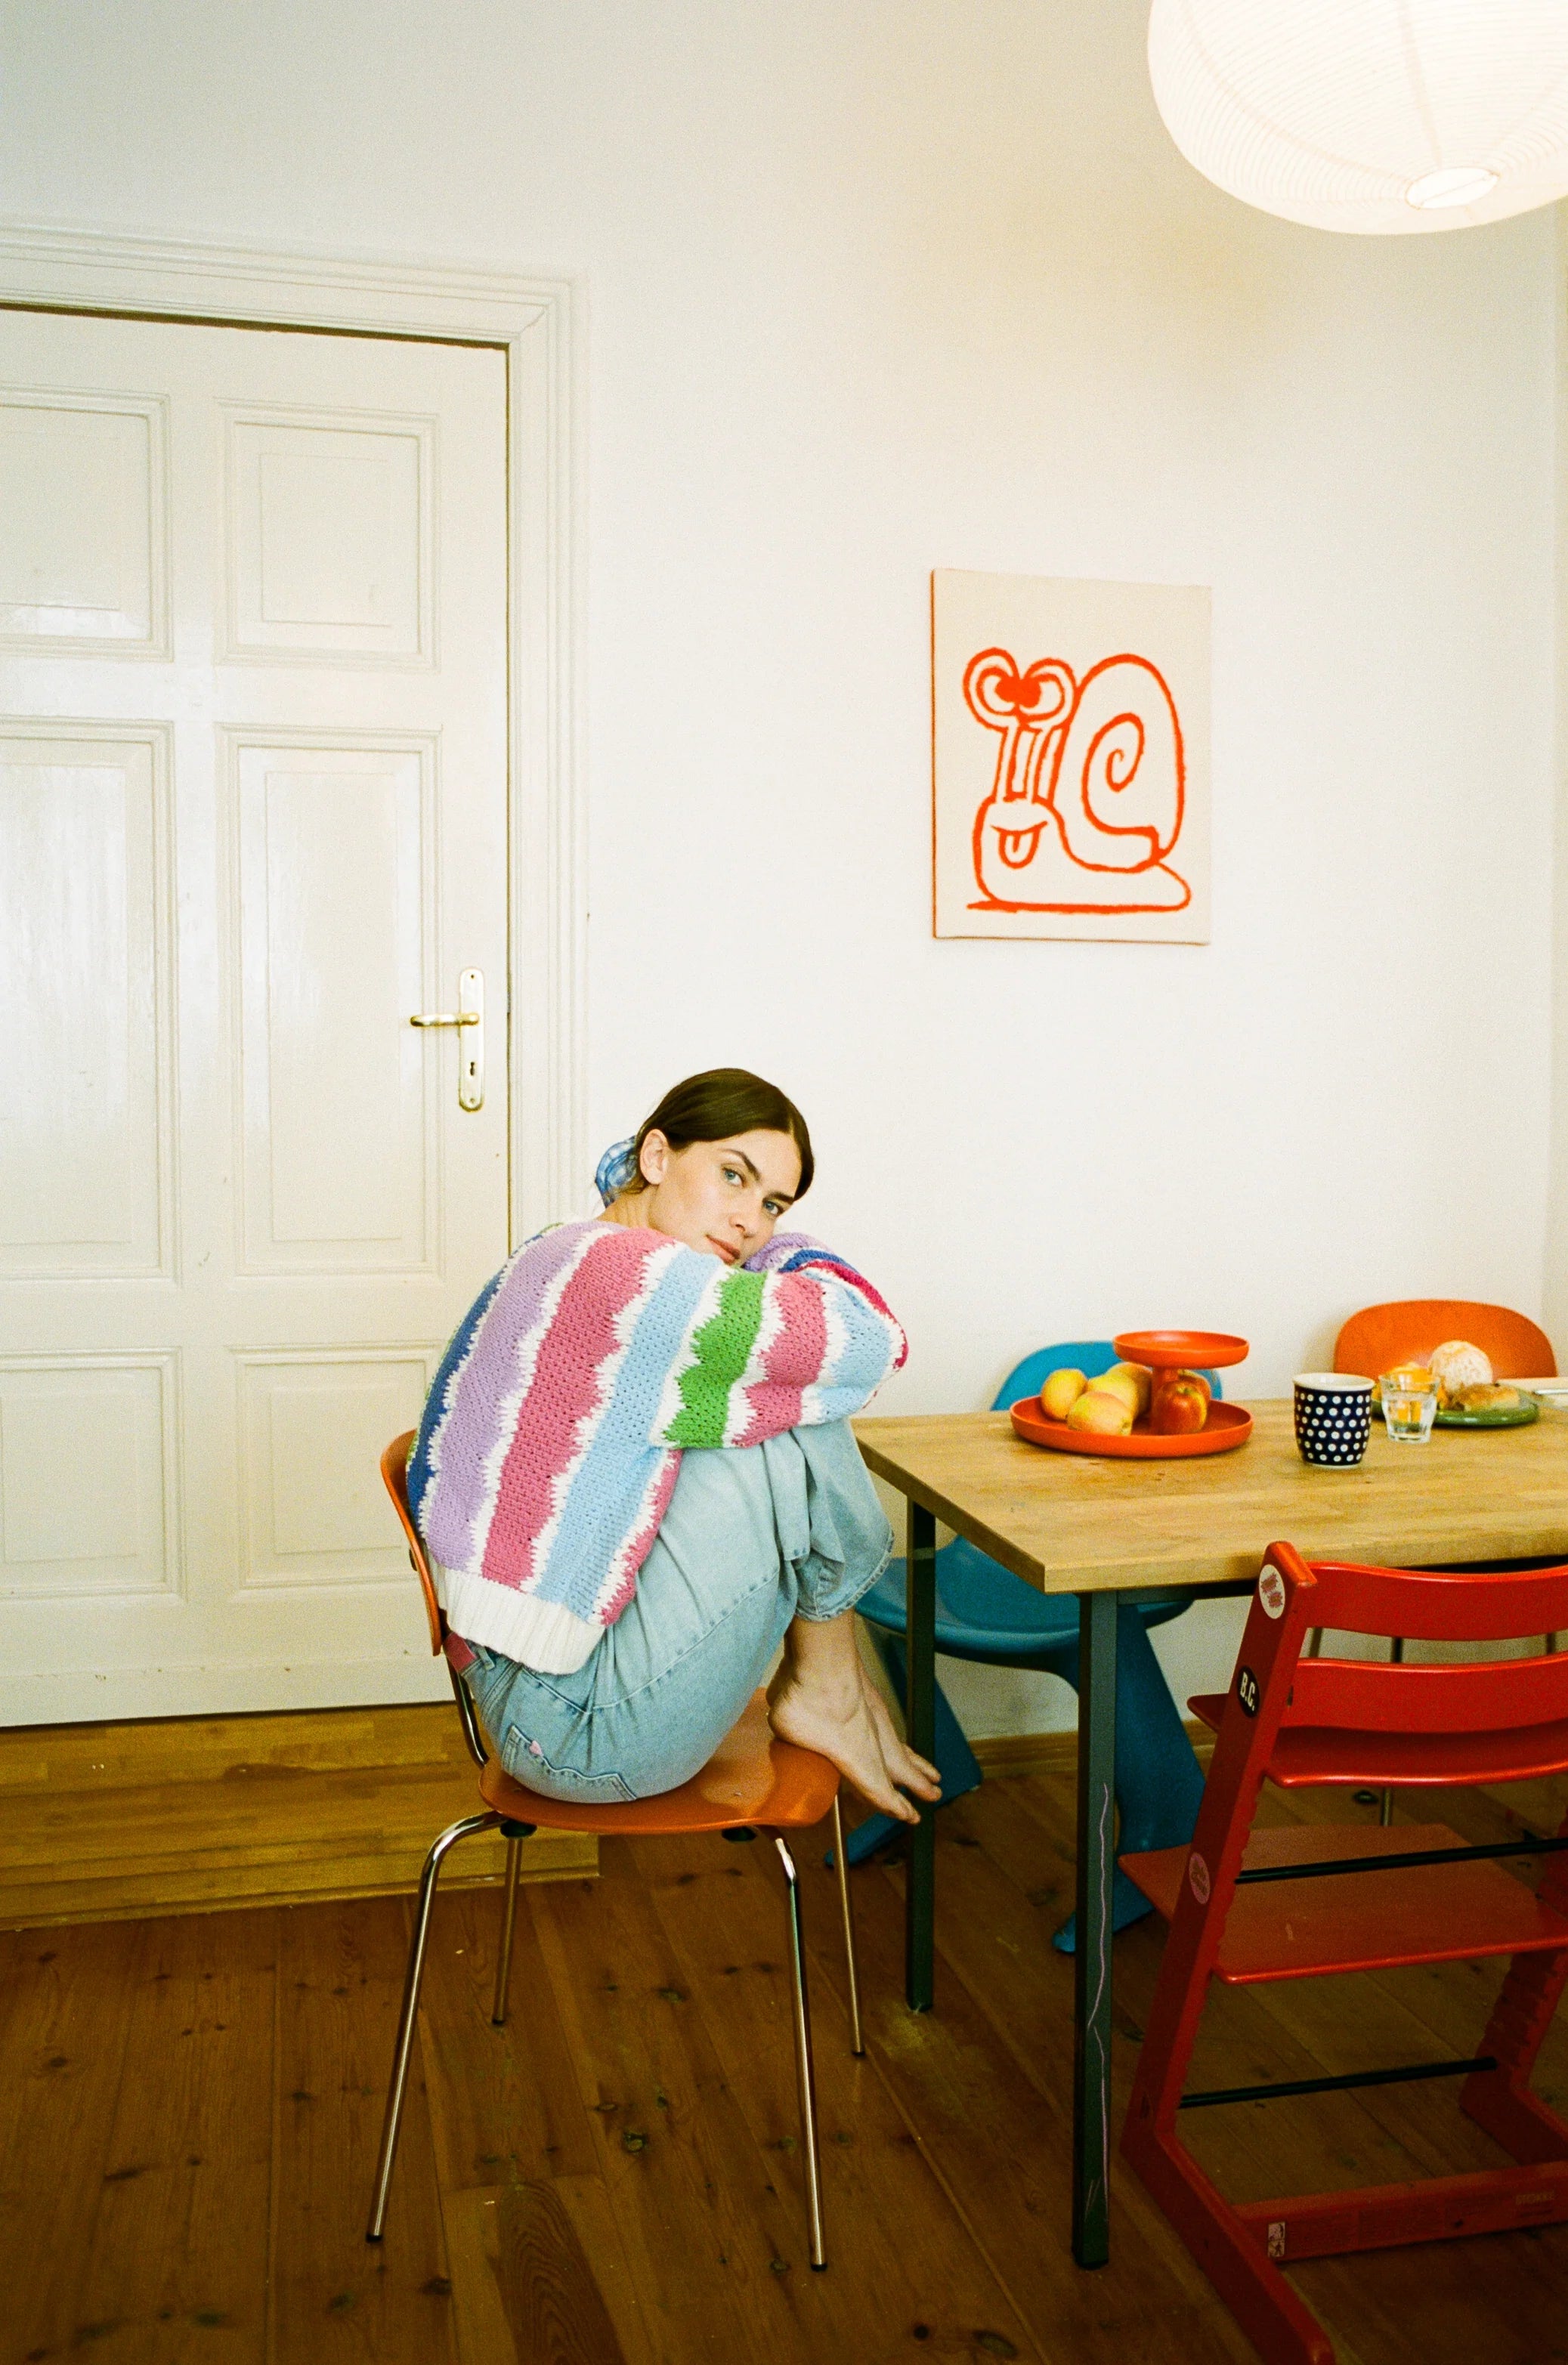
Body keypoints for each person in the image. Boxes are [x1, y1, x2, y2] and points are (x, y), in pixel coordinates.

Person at [409, 1067, 941, 1826]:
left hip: (529, 1693)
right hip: (577, 1735)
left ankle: (829, 1681)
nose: (749, 1221)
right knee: (789, 1399)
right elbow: (868, 1341)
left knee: (766, 1399)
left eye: (771, 1204)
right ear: (655, 1156)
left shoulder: (568, 1246)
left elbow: (809, 1360)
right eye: (732, 1175)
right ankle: (829, 1683)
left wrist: (719, 1209)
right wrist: (788, 1248)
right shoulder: (629, 1278)